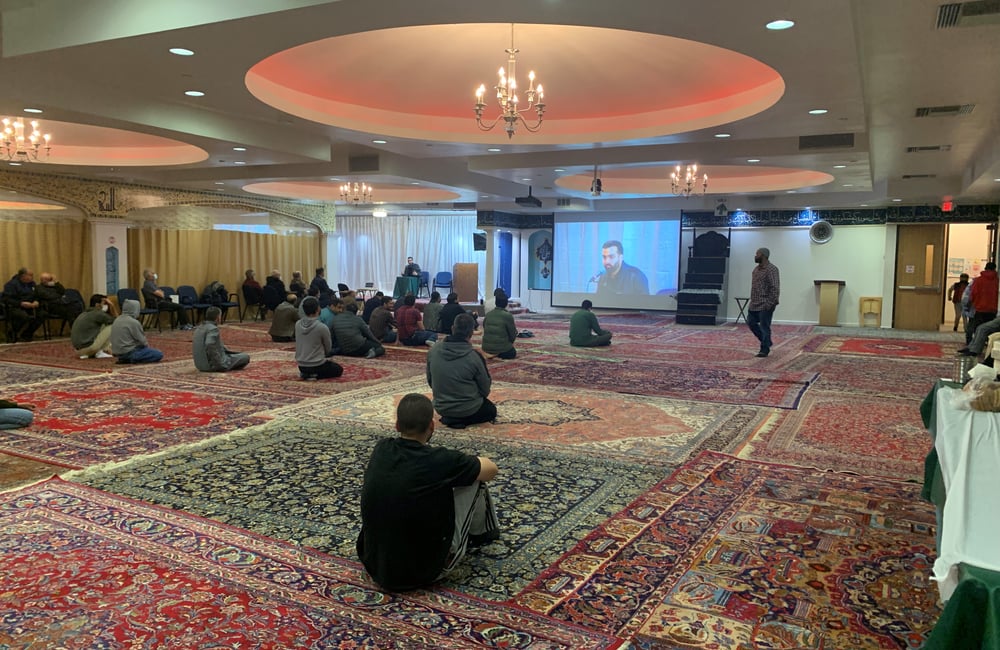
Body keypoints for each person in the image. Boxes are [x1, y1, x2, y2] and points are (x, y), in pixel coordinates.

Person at [356, 393, 500, 591]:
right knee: (475, 481)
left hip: (374, 564)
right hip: (424, 570)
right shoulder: (440, 460)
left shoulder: (382, 449)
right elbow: (491, 470)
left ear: (397, 426)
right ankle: (483, 534)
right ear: (432, 426)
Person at [427, 313, 496, 429]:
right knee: (490, 411)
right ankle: (460, 419)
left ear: (452, 328)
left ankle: (452, 418)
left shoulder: (433, 351)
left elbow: (430, 381)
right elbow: (485, 389)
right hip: (468, 408)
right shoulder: (474, 356)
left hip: (442, 407)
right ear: (471, 333)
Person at [295, 297, 344, 379]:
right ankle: (315, 375)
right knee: (338, 370)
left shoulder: (297, 324)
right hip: (317, 364)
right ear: (318, 309)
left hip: (301, 365)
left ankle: (307, 374)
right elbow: (328, 348)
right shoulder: (321, 327)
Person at [193, 306, 250, 372]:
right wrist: (219, 362)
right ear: (218, 318)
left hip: (199, 365)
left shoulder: (199, 327)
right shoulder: (213, 329)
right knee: (245, 357)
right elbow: (209, 344)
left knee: (236, 355)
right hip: (212, 365)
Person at [747, 247, 780, 358]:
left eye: (757, 254)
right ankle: (767, 341)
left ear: (764, 256)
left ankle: (764, 349)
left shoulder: (772, 269)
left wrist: (769, 303)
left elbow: (775, 288)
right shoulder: (756, 270)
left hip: (766, 304)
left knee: (764, 327)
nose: (755, 256)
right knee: (751, 323)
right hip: (754, 303)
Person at [110, 299, 164, 364]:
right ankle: (134, 359)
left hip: (118, 354)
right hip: (130, 352)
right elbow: (143, 341)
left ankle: (125, 359)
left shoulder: (117, 319)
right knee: (158, 354)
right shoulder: (133, 322)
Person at [2, 267, 43, 342]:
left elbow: (37, 295)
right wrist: (20, 303)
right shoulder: (11, 284)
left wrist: (36, 301)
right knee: (23, 316)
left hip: (30, 306)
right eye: (30, 275)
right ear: (23, 276)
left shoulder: (32, 284)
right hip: (16, 307)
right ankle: (12, 333)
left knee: (42, 314)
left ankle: (26, 334)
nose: (32, 277)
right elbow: (7, 299)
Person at [71, 293, 117, 359]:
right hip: (88, 349)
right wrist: (112, 306)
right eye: (104, 303)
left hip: (78, 351)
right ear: (97, 305)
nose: (105, 305)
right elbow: (117, 321)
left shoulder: (84, 313)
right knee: (112, 325)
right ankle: (100, 352)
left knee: (104, 324)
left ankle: (93, 352)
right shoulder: (97, 314)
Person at [966, 262, 998, 345]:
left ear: (985, 268)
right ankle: (988, 344)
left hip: (980, 308)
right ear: (995, 269)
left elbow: (973, 294)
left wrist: (969, 304)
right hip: (993, 309)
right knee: (990, 329)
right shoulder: (997, 281)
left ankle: (977, 345)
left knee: (978, 328)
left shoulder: (978, 280)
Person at [481, 295, 517, 359]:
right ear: (506, 304)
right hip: (501, 348)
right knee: (512, 353)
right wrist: (510, 343)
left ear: (495, 303)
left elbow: (484, 327)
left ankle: (491, 354)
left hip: (486, 347)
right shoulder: (507, 315)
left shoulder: (488, 314)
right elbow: (512, 334)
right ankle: (497, 354)